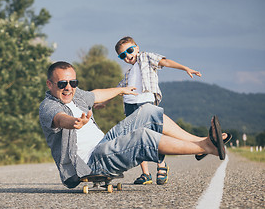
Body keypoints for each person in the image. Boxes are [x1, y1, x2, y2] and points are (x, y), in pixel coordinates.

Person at [39, 61, 228, 189]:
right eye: (62, 83)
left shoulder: (76, 94)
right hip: (90, 163)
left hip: (104, 144)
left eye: (73, 82)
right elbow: (60, 119)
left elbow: (96, 94)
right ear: (50, 84)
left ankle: (202, 143)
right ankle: (207, 147)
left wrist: (121, 89)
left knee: (148, 111)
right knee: (143, 137)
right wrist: (74, 122)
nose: (69, 87)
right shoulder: (49, 106)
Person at [113, 36, 202, 185]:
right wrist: (103, 101)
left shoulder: (146, 57)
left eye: (130, 50)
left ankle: (161, 165)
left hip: (146, 101)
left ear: (137, 48)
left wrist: (185, 68)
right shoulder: (128, 73)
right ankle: (145, 174)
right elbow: (118, 89)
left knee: (154, 134)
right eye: (123, 55)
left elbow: (165, 62)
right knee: (138, 138)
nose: (128, 56)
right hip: (130, 104)